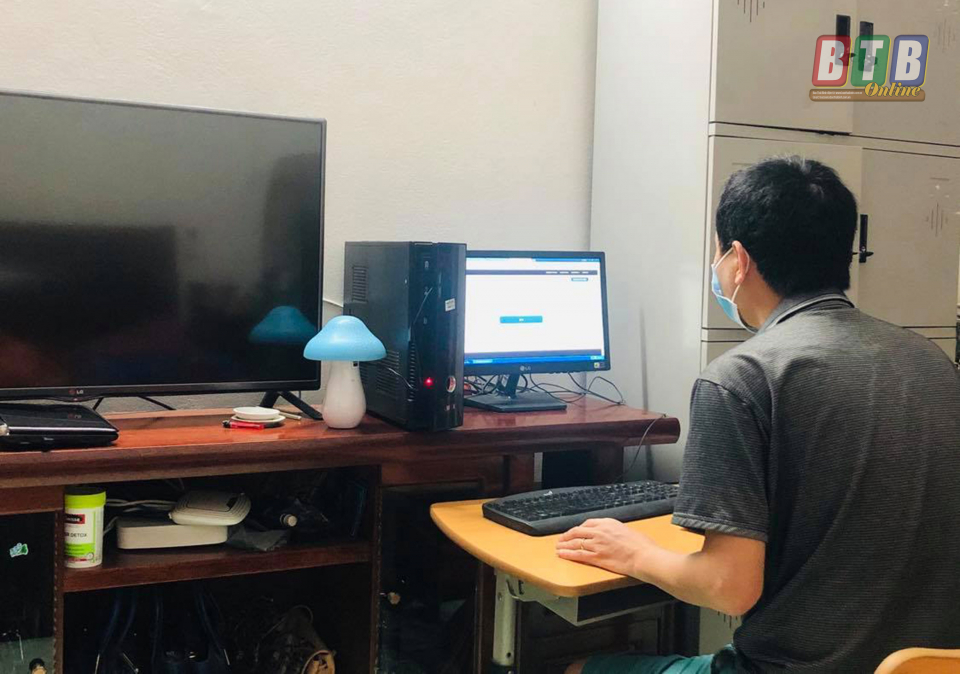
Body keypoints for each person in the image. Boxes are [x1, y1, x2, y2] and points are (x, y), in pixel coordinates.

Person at [557, 156, 960, 673]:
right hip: (928, 666)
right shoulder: (930, 360)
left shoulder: (742, 378)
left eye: (718, 252)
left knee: (579, 668)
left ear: (738, 261)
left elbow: (729, 587)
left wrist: (633, 552)